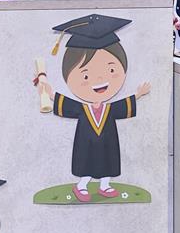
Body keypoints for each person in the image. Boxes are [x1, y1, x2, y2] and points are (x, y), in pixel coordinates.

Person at [37, 14, 152, 201]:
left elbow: (122, 106)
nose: (99, 79)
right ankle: (81, 186)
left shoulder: (110, 109)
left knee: (109, 163)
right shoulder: (82, 109)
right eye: (85, 76)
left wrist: (138, 94)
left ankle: (105, 186)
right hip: (86, 144)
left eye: (111, 70)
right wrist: (50, 94)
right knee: (86, 164)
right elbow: (67, 104)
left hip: (108, 142)